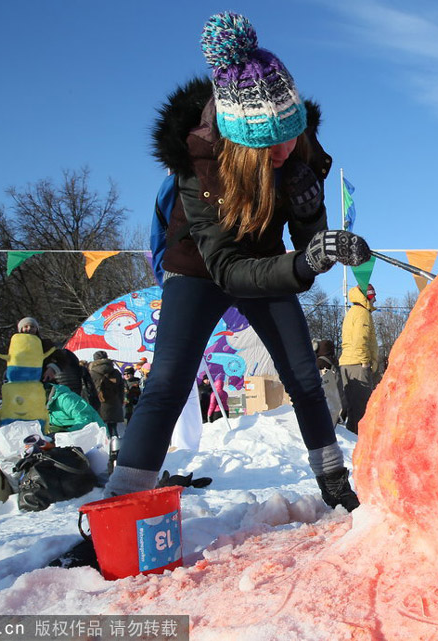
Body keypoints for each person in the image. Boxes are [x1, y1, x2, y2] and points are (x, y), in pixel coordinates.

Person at [103, 12, 369, 511]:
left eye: (291, 134)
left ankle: (336, 486)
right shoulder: (200, 164)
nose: (284, 150)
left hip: (267, 262)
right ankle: (117, 506)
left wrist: (316, 223)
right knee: (167, 383)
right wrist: (304, 263)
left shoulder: (298, 145)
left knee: (305, 378)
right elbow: (227, 269)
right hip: (201, 270)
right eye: (269, 143)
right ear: (238, 142)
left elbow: (308, 243)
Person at [340, 284, 379, 434]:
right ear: (367, 296)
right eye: (373, 295)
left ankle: (352, 438)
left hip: (349, 362)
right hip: (357, 364)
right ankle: (359, 441)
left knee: (354, 408)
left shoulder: (354, 312)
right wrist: (365, 362)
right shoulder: (362, 313)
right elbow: (360, 340)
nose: (375, 299)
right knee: (361, 408)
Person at [89, 351, 124, 439]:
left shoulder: (91, 373)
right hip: (114, 403)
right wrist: (120, 401)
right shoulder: (115, 372)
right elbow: (121, 389)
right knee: (113, 429)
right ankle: (116, 445)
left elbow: (88, 390)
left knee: (100, 430)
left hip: (98, 403)